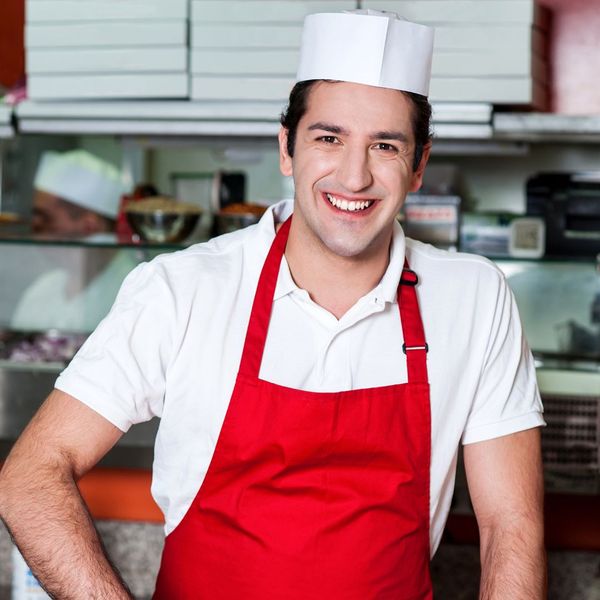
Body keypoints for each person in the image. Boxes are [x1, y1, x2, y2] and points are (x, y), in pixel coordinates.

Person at [0, 9, 546, 599]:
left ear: (418, 166)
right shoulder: (185, 289)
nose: (354, 175)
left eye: (385, 145)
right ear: (287, 147)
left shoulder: (474, 297)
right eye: (329, 138)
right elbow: (31, 474)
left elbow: (510, 526)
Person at [10, 150, 137, 333]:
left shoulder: (134, 291)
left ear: (89, 225)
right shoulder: (42, 291)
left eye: (45, 219)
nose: (36, 232)